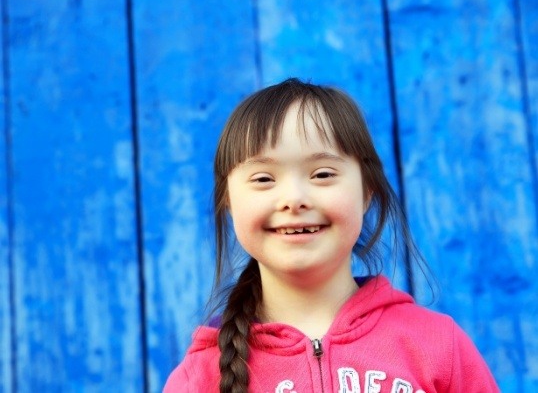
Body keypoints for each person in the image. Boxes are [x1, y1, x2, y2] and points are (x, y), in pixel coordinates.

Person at [163, 79, 499, 392]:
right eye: (264, 179)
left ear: (367, 191)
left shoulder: (438, 344)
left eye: (322, 174)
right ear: (229, 201)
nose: (293, 198)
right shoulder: (199, 376)